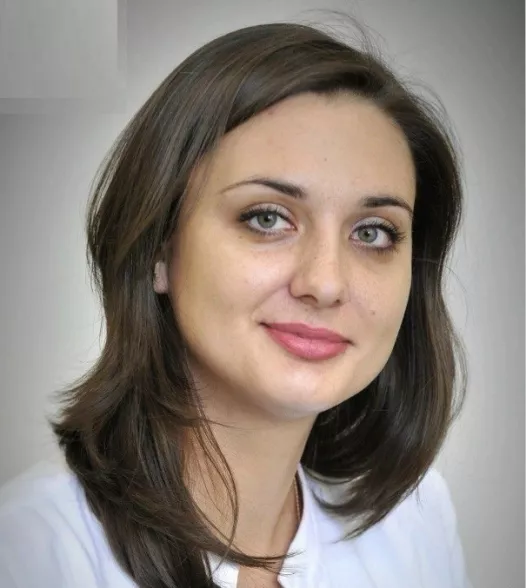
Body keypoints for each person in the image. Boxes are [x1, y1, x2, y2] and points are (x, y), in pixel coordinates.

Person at [0, 19, 471, 588]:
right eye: (267, 218)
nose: (325, 283)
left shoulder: (416, 522)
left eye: (372, 232)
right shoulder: (27, 554)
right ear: (158, 248)